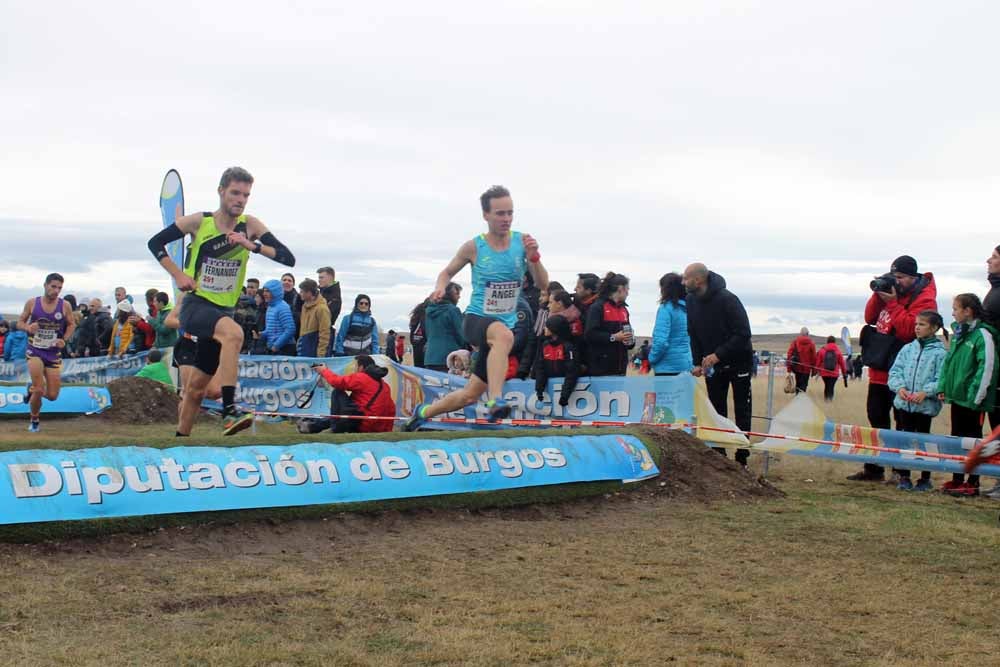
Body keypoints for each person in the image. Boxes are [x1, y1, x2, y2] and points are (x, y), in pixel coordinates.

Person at [146, 166, 296, 435]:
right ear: (221, 191)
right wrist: (178, 274)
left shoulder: (250, 225)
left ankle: (179, 440)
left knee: (195, 390)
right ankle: (229, 412)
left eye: (246, 195)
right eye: (235, 193)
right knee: (234, 334)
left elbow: (288, 258)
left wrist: (254, 247)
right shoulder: (199, 222)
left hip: (223, 310)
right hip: (196, 305)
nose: (240, 200)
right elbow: (155, 243)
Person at [405, 184, 548, 429]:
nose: (506, 219)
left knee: (469, 395)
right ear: (486, 215)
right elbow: (447, 272)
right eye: (500, 213)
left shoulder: (522, 243)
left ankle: (422, 412)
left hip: (503, 330)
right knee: (503, 337)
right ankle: (495, 401)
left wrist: (534, 257)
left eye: (510, 213)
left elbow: (542, 283)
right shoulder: (474, 247)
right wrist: (440, 287)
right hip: (476, 319)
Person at [851, 255, 937, 481]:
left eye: (900, 277)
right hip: (879, 368)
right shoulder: (890, 293)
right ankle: (875, 467)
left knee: (902, 423)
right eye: (893, 276)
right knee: (876, 417)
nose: (896, 281)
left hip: (905, 375)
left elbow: (909, 329)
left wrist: (892, 303)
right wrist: (878, 293)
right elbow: (870, 317)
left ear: (912, 277)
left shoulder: (925, 298)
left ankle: (901, 470)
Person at [684, 263, 754, 468]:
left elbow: (743, 334)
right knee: (716, 409)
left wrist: (718, 354)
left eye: (686, 278)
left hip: (738, 362)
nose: (683, 282)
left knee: (742, 409)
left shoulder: (728, 299)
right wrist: (698, 362)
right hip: (712, 365)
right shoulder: (690, 301)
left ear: (698, 280)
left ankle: (742, 458)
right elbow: (693, 333)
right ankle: (719, 456)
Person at [937, 294, 999, 497]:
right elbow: (950, 363)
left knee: (972, 440)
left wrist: (977, 396)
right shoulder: (959, 334)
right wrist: (943, 386)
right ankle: (957, 480)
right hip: (957, 398)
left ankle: (973, 483)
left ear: (968, 311)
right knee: (956, 438)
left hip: (974, 401)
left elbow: (987, 366)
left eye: (955, 308)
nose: (953, 312)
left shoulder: (982, 335)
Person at [887, 311, 948, 491]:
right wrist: (900, 388)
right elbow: (895, 372)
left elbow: (941, 379)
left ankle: (925, 478)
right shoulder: (907, 349)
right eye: (916, 324)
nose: (917, 328)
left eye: (922, 324)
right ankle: (904, 476)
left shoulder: (940, 354)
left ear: (934, 328)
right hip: (904, 404)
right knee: (904, 440)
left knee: (924, 441)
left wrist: (926, 392)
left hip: (925, 406)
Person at [16, 273, 76, 433]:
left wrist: (64, 339)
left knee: (52, 395)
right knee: (39, 388)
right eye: (53, 286)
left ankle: (30, 389)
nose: (56, 290)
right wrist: (28, 327)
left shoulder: (65, 305)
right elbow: (19, 322)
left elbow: (71, 324)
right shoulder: (32, 303)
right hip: (35, 350)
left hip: (53, 353)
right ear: (45, 285)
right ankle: (34, 420)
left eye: (59, 288)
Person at [311, 355, 396, 433]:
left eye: (355, 366)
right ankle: (312, 426)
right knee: (341, 417)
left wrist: (324, 371)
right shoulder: (385, 385)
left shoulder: (362, 378)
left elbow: (336, 382)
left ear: (361, 367)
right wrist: (387, 430)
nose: (354, 370)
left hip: (362, 425)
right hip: (377, 427)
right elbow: (391, 409)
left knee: (337, 392)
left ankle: (334, 429)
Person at [584, 272, 636, 376]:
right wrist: (613, 337)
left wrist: (631, 341)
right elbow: (589, 334)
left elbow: (625, 337)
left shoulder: (624, 309)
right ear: (620, 289)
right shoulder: (597, 307)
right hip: (601, 368)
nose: (628, 293)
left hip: (620, 368)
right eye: (627, 289)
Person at [649, 272, 693, 376]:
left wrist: (651, 358)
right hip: (686, 366)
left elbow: (661, 341)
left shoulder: (665, 309)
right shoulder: (688, 309)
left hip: (666, 368)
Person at [533, 314, 580, 408]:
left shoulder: (567, 347)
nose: (544, 328)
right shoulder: (545, 345)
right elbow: (541, 368)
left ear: (554, 329)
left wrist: (564, 396)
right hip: (552, 390)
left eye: (547, 326)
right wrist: (539, 390)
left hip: (565, 393)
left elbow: (571, 372)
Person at [424, 282, 465, 372]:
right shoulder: (453, 310)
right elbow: (460, 334)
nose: (459, 297)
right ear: (450, 295)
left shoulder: (428, 312)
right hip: (449, 357)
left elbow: (427, 333)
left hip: (430, 357)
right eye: (457, 294)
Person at [260, 279, 297, 355]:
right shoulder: (270, 307)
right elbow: (270, 329)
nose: (264, 294)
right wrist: (262, 334)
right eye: (264, 291)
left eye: (267, 291)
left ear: (275, 292)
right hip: (275, 348)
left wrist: (276, 345)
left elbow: (290, 329)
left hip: (285, 349)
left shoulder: (283, 307)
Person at [296, 278, 331, 358]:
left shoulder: (322, 309)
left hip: (314, 350)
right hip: (304, 347)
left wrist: (321, 355)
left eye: (302, 291)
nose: (299, 293)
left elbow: (324, 333)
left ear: (309, 293)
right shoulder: (304, 306)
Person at [574, 273, 600, 369]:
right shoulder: (577, 305)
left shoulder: (599, 309)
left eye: (578, 287)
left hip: (593, 362)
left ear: (589, 291)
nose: (574, 289)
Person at [317, 267, 343, 354]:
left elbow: (327, 317)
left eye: (321, 277)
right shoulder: (320, 292)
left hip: (325, 334)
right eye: (319, 278)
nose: (319, 280)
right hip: (316, 333)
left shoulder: (334, 297)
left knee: (320, 364)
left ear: (330, 278)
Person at [816, 336, 848, 402]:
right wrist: (844, 373)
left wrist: (816, 371)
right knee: (831, 386)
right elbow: (842, 364)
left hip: (824, 373)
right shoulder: (838, 351)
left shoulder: (822, 351)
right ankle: (829, 401)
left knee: (827, 386)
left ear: (827, 341)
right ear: (834, 342)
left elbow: (818, 363)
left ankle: (826, 400)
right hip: (834, 373)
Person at [786, 328, 817, 394]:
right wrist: (814, 371)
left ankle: (798, 399)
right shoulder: (811, 343)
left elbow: (789, 355)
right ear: (808, 334)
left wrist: (789, 369)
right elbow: (814, 358)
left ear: (800, 334)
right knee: (803, 386)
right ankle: (801, 399)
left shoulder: (795, 342)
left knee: (798, 385)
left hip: (797, 368)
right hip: (807, 369)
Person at [234, 279, 260, 353]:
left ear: (257, 289)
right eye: (248, 287)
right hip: (240, 340)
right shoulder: (239, 304)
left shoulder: (259, 305)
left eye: (252, 287)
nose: (249, 289)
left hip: (253, 342)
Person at [408, 300, 428, 368]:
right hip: (424, 350)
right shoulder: (425, 320)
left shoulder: (414, 321)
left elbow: (412, 339)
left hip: (416, 349)